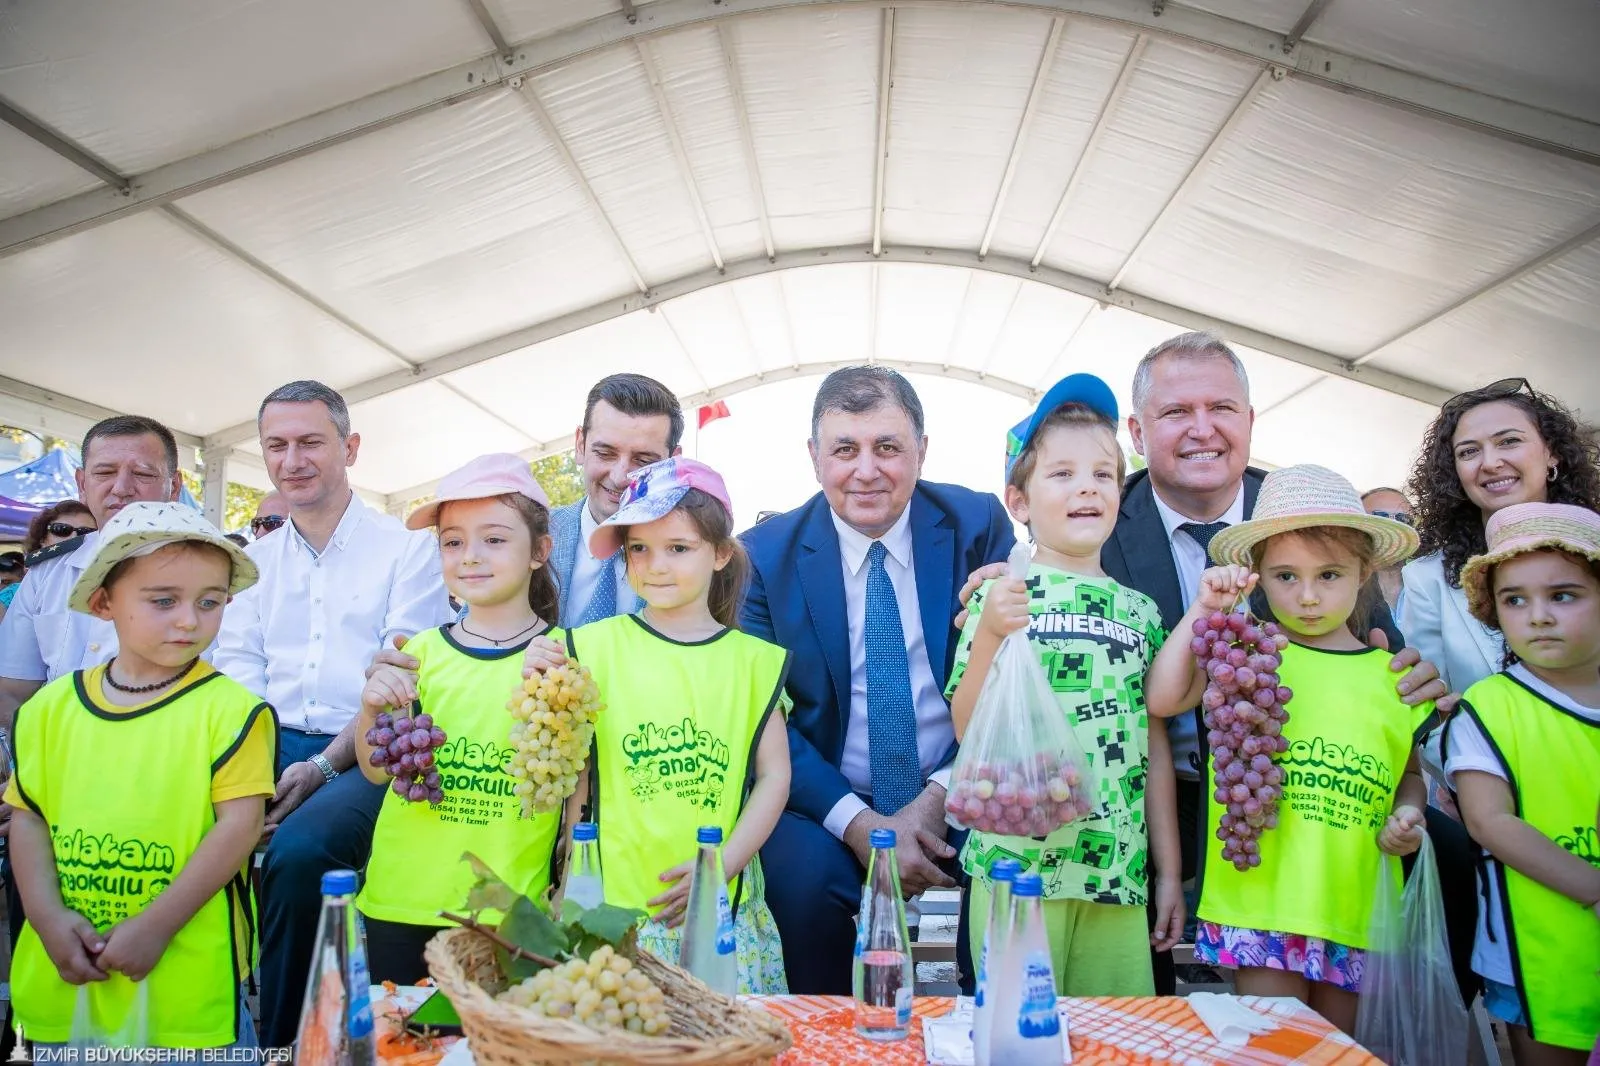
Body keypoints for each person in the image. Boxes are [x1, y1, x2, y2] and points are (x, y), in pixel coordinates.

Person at [960, 332, 1442, 991]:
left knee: (1452, 852)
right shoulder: (1097, 515)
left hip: (1287, 803)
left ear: (1249, 420)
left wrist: (1413, 685)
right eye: (1176, 413)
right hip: (1128, 811)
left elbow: (1377, 653)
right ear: (1137, 430)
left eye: (1221, 408)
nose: (1202, 430)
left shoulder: (1306, 512)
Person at [741, 366, 1015, 994]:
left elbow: (1007, 685)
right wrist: (862, 825)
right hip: (828, 799)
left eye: (887, 447)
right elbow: (766, 718)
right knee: (796, 878)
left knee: (1012, 860)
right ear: (814, 459)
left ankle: (983, 1029)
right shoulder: (762, 556)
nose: (867, 470)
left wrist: (941, 798)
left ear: (922, 449)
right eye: (845, 449)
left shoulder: (977, 526)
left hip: (963, 778)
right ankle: (827, 1042)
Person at [1145, 465, 1429, 1034]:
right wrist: (1206, 610)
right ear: (1258, 576)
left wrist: (1411, 812)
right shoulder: (1246, 656)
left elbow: (1409, 773)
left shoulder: (1395, 677)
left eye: (1328, 575)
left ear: (1364, 571)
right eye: (1284, 576)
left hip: (1354, 903)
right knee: (1278, 1047)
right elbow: (1163, 697)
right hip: (1262, 900)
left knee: (1339, 1049)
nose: (1306, 596)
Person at [211, 381, 451, 1049]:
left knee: (300, 850)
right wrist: (250, 776)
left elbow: (395, 680)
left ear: (348, 447)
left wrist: (319, 765)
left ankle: (285, 1045)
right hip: (264, 744)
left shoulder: (407, 551)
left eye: (310, 442)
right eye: (277, 445)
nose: (292, 460)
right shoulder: (251, 565)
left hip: (367, 753)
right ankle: (199, 1028)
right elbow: (239, 678)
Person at [5, 502, 275, 1050]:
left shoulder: (235, 711)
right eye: (163, 601)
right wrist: (49, 919)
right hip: (67, 981)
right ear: (104, 603)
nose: (188, 620)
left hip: (187, 996)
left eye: (210, 602)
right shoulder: (49, 709)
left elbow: (239, 828)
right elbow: (29, 818)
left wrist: (157, 925)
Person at [949, 375, 1183, 996]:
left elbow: (1152, 743)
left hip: (1116, 869)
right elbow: (967, 729)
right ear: (1019, 502)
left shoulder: (1142, 613)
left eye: (1104, 475)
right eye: (1062, 474)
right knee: (1017, 1038)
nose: (1087, 486)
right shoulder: (1001, 596)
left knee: (1117, 1041)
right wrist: (992, 636)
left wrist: (1167, 870)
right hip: (1015, 869)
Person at [546, 458, 791, 993]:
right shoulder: (590, 648)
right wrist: (569, 868)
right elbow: (576, 774)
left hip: (720, 910)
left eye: (678, 548)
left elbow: (775, 777)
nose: (655, 565)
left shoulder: (755, 661)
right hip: (614, 909)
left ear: (721, 553)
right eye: (639, 549)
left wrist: (722, 865)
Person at [355, 454, 565, 983]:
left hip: (508, 914)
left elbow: (572, 787)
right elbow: (379, 770)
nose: (470, 557)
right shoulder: (418, 651)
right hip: (401, 901)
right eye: (452, 541)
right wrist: (372, 706)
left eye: (494, 539)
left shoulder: (562, 661)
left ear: (540, 551)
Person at [1445, 502, 1600, 1064]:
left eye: (1563, 595)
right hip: (1530, 948)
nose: (1538, 616)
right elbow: (1489, 820)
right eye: (1516, 600)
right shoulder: (1490, 706)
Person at [1403, 377, 1600, 698]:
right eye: (1468, 452)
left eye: (1509, 441)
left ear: (1552, 452)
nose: (1491, 463)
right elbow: (1432, 713)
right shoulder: (1426, 579)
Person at [0, 416, 184, 730]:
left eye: (142, 473)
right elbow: (14, 690)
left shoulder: (212, 572)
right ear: (82, 485)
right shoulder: (49, 571)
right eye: (104, 472)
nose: (122, 488)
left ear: (174, 486)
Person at [550, 374, 683, 629]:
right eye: (605, 453)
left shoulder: (695, 554)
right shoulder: (528, 538)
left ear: (672, 462)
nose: (620, 476)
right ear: (580, 444)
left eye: (644, 461)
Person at [1360, 487, 1414, 616]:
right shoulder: (1343, 588)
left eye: (1403, 519)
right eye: (1379, 517)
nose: (1394, 526)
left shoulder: (1431, 581)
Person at [22, 501, 96, 560]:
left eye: (86, 532)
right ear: (43, 539)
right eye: (61, 529)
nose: (74, 537)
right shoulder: (32, 577)